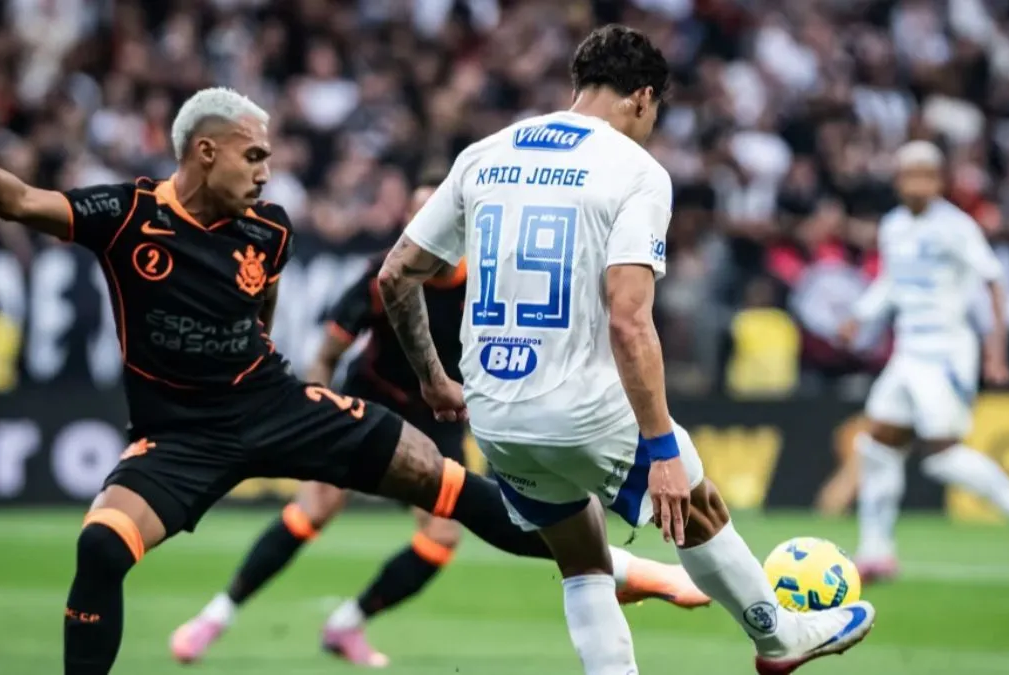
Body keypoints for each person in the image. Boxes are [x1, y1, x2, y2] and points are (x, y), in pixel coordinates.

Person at [0, 86, 696, 675]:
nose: (266, 170)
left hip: (272, 402)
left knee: (447, 482)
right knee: (100, 546)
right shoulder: (128, 215)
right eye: (252, 156)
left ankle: (625, 569)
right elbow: (22, 202)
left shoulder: (271, 229)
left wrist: (265, 352)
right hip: (178, 434)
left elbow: (259, 298)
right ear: (204, 152)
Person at [373, 25, 875, 675]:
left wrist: (435, 380)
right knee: (699, 506)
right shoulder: (636, 170)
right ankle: (779, 638)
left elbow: (394, 274)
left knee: (582, 555)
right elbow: (631, 321)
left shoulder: (484, 154)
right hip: (581, 405)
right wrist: (662, 446)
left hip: (493, 412)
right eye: (655, 111)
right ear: (642, 97)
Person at [170, 175, 708, 668]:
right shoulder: (388, 276)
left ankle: (346, 624)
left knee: (441, 537)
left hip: (440, 414)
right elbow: (329, 352)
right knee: (315, 508)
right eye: (415, 219)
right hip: (373, 400)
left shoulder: (489, 279)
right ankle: (215, 616)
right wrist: (314, 405)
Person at [838, 140, 1009, 583]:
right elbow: (892, 284)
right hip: (908, 352)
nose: (915, 183)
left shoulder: (956, 227)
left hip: (946, 353)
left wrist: (996, 351)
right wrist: (860, 315)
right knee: (878, 444)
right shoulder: (895, 225)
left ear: (939, 181)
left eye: (924, 174)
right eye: (908, 175)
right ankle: (877, 552)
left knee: (941, 455)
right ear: (899, 180)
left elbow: (993, 282)